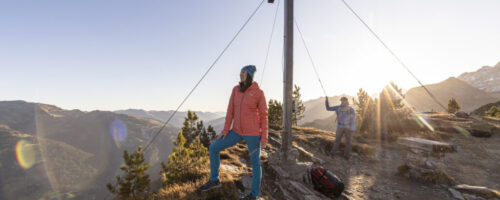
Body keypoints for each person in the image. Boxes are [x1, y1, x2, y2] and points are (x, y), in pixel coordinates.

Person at [197, 65, 268, 200]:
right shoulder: (236, 90)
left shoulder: (258, 93)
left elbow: (264, 115)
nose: (240, 74)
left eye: (243, 72)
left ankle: (254, 195)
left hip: (253, 134)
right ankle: (214, 180)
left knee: (255, 163)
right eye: (240, 72)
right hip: (236, 131)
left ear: (250, 75)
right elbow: (230, 111)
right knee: (213, 147)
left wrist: (264, 136)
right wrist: (225, 130)